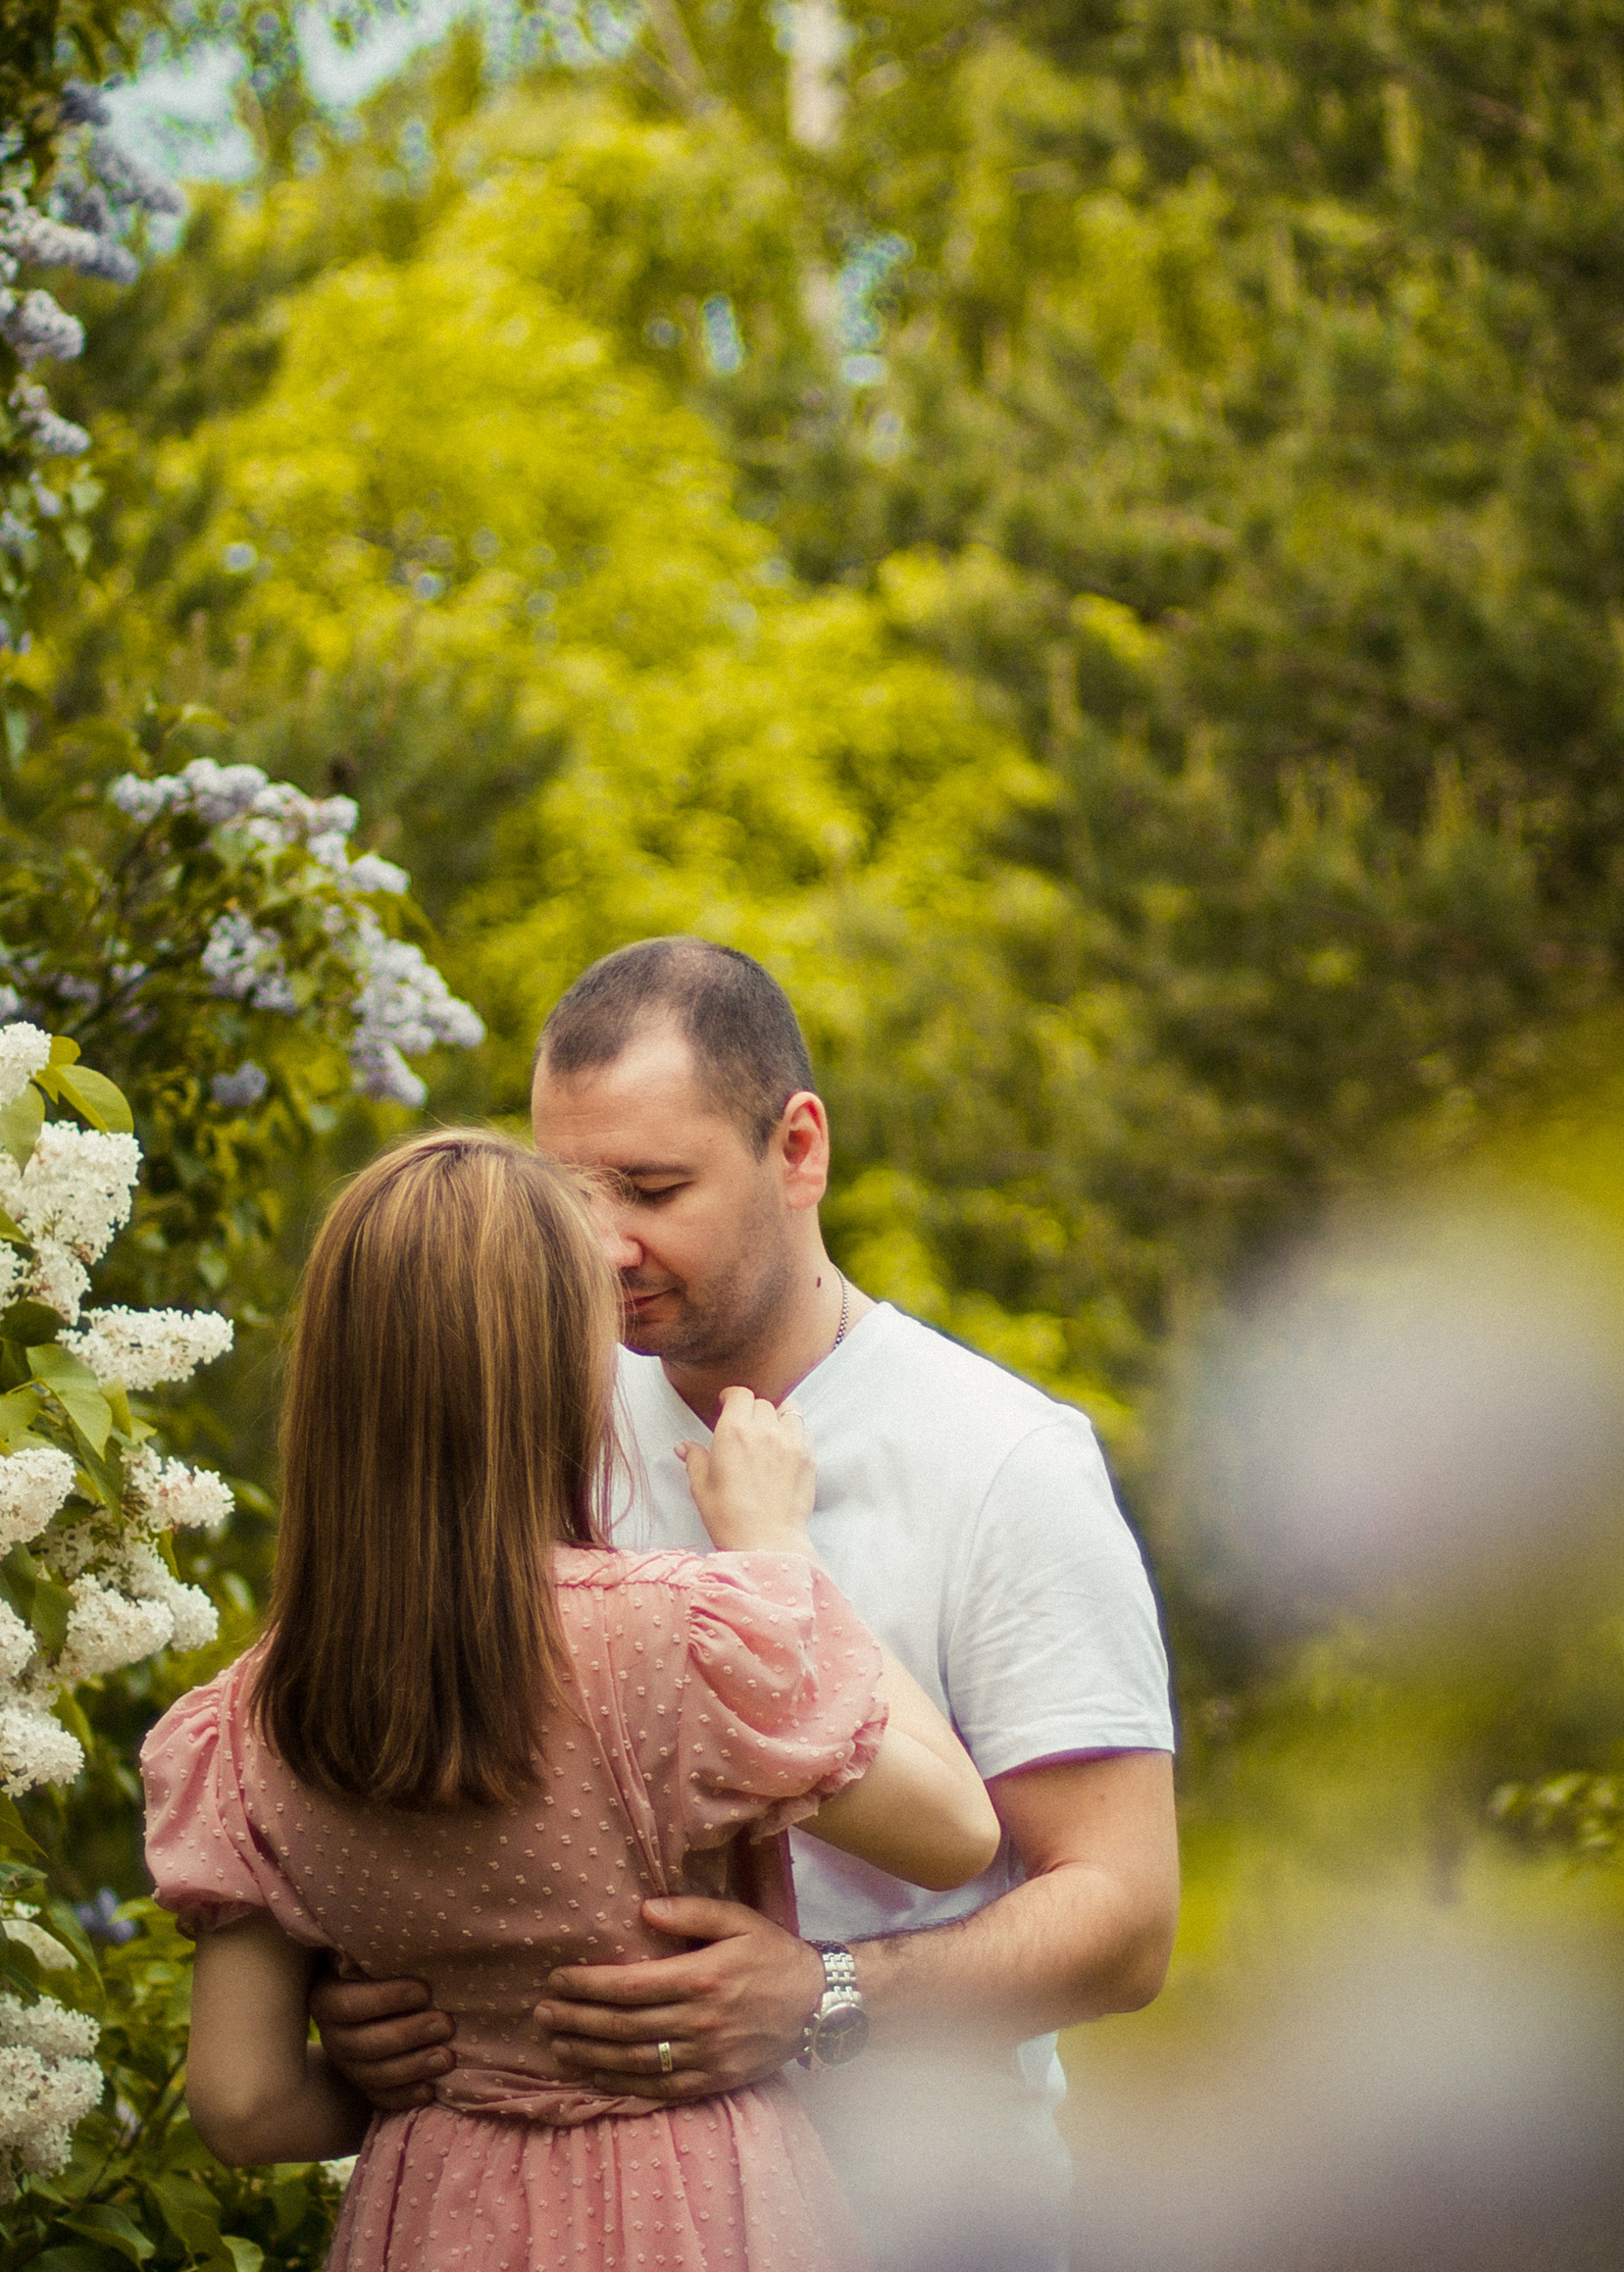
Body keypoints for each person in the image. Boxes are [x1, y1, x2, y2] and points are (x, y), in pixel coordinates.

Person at [313, 941, 1181, 2272]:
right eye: (570, 1190)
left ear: (798, 1149)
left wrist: (823, 1997)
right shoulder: (525, 1417)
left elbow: (1122, 1919)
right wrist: (364, 2005)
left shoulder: (1004, 1461)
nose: (604, 1244)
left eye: (655, 1188)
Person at [140, 1129, 1001, 2272]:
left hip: (433, 2212)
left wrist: (410, 2079)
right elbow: (954, 1832)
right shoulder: (672, 1639)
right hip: (694, 2210)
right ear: (560, 1367)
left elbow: (243, 2103)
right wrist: (776, 1555)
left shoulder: (248, 1718)